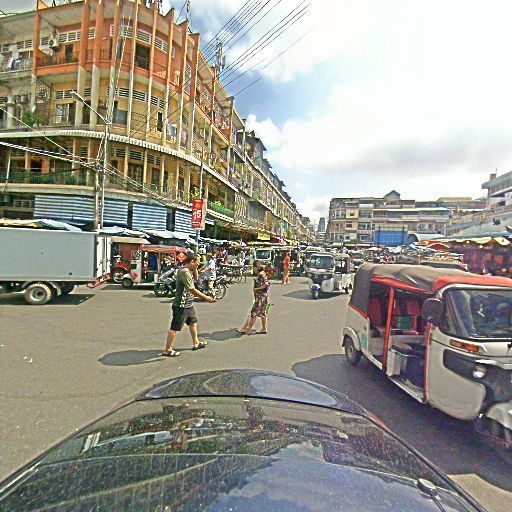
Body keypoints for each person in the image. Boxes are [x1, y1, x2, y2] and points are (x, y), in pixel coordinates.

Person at [161, 252, 216, 357]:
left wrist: (195, 269)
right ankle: (167, 349)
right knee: (174, 327)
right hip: (181, 305)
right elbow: (192, 289)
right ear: (191, 262)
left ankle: (196, 343)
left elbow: (196, 279)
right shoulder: (184, 272)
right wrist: (206, 298)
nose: (199, 264)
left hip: (188, 304)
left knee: (193, 322)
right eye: (197, 262)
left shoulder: (189, 270)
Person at [236, 262, 270, 335]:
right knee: (263, 312)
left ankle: (248, 329)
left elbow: (266, 284)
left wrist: (257, 288)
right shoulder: (263, 273)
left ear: (257, 267)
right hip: (264, 296)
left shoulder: (261, 274)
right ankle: (264, 328)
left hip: (260, 296)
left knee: (254, 312)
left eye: (254, 267)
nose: (253, 269)